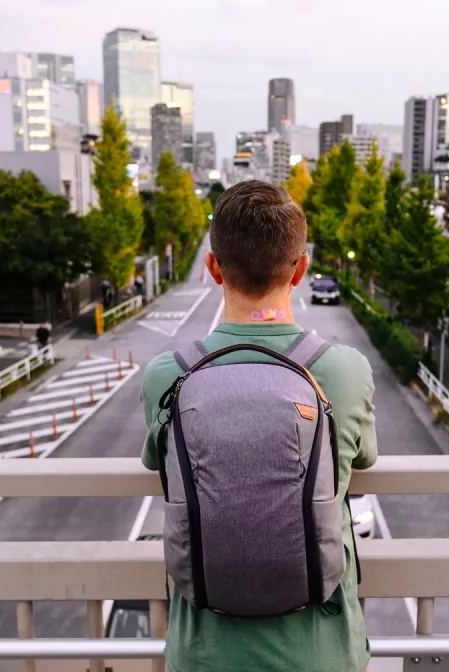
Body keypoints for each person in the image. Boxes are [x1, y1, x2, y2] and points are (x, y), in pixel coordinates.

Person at [140, 180, 377, 672]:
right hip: (322, 652)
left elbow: (156, 463)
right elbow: (364, 458)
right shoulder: (346, 371)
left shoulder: (169, 375)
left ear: (212, 267)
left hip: (203, 654)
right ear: (300, 269)